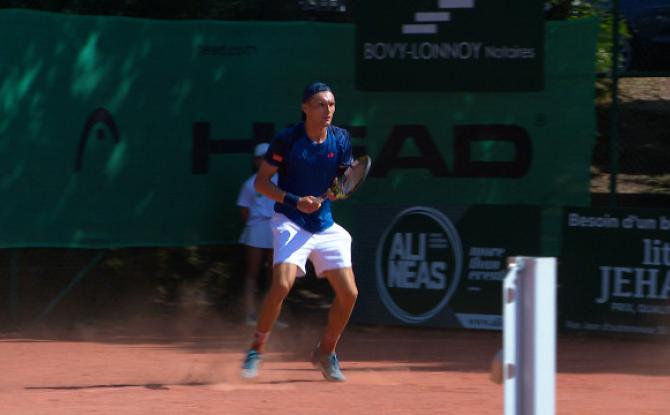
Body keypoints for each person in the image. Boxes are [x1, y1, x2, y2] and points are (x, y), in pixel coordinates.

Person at [240, 81, 358, 382]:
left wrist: (338, 190)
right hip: (290, 221)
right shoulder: (287, 140)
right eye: (320, 104)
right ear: (305, 107)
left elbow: (344, 179)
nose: (327, 110)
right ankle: (256, 349)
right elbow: (261, 183)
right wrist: (295, 201)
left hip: (325, 224)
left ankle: (326, 351)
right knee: (281, 285)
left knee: (349, 293)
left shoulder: (341, 139)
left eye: (331, 104)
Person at [236, 143, 288, 328]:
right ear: (257, 161)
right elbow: (244, 211)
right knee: (252, 273)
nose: (267, 161)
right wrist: (257, 225)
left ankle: (273, 316)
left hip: (278, 229)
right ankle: (250, 314)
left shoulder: (284, 182)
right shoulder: (249, 184)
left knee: (276, 276)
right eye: (263, 158)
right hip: (257, 229)